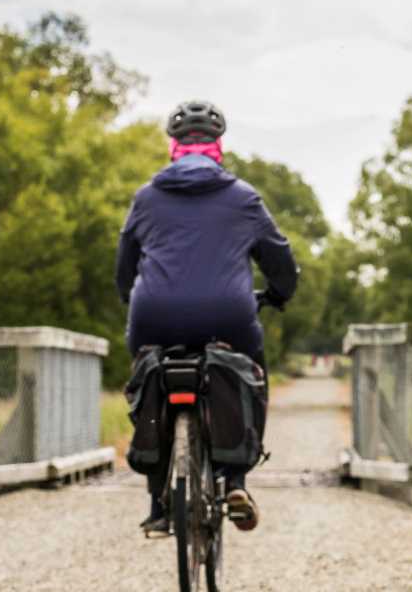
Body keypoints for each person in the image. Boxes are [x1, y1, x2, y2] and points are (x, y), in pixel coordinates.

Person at [116, 100, 298, 534]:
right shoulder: (243, 198)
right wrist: (278, 294)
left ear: (172, 147)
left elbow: (125, 266)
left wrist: (132, 300)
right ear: (219, 147)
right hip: (227, 315)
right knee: (251, 373)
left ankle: (158, 504)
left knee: (147, 375)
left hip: (154, 314)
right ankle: (236, 481)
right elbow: (279, 258)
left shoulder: (146, 198)